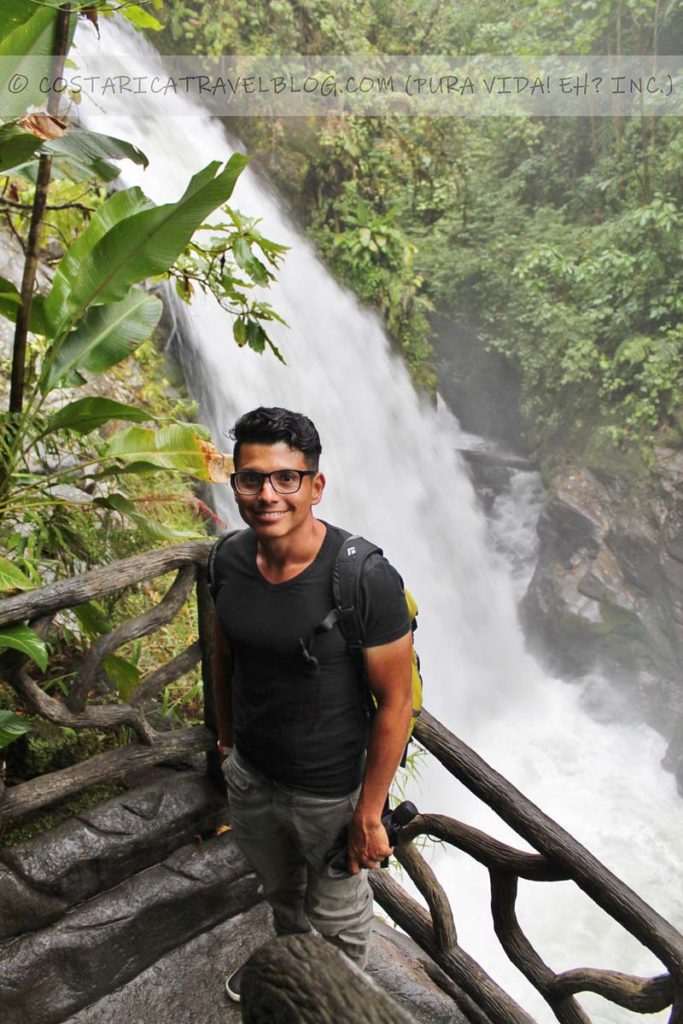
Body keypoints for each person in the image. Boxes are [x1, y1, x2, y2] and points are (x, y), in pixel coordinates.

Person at [210, 406, 413, 1002]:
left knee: (340, 916)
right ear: (236, 484)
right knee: (280, 892)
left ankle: (338, 1004)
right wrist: (227, 743)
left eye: (285, 478)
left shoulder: (363, 579)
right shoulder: (227, 560)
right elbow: (226, 651)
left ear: (315, 485)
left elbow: (396, 703)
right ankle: (293, 978)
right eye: (252, 478)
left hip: (329, 792)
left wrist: (370, 814)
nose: (267, 494)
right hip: (252, 774)